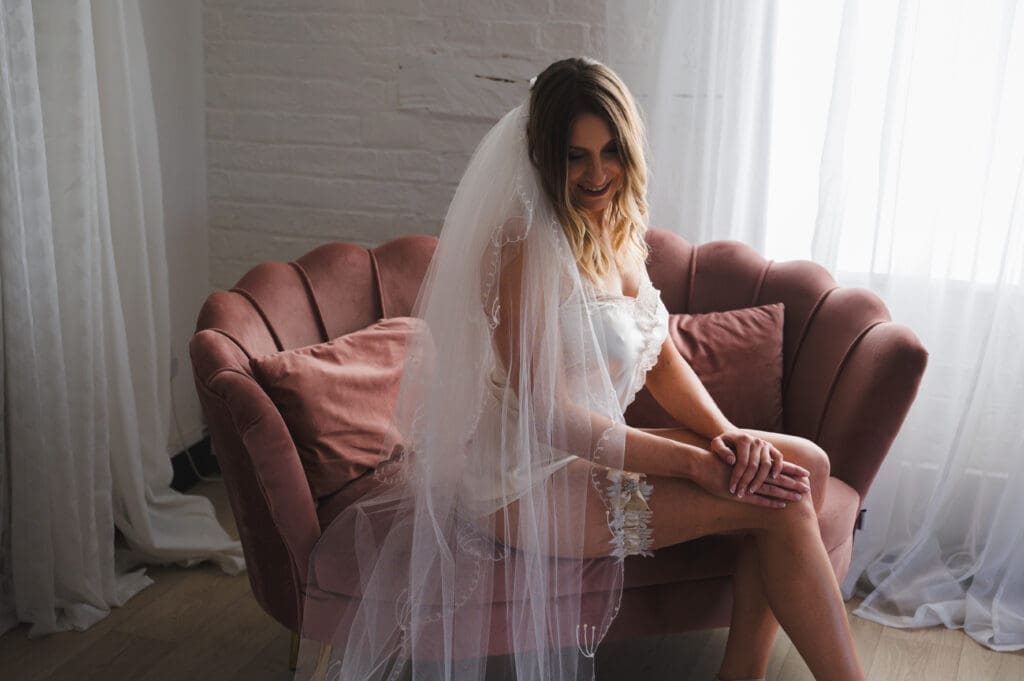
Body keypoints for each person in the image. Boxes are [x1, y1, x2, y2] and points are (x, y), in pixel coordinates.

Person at [298, 57, 865, 681]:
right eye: (575, 156)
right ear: (545, 157)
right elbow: (549, 419)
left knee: (803, 465)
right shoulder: (523, 250)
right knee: (778, 501)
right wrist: (697, 463)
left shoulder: (617, 231)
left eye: (610, 151)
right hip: (526, 484)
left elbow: (660, 360)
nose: (597, 174)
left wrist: (727, 435)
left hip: (593, 463)